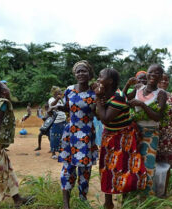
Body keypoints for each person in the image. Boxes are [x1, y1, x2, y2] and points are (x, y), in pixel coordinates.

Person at [94, 68, 147, 209]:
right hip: (110, 137)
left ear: (110, 81)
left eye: (101, 76)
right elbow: (98, 115)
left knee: (124, 169)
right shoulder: (105, 94)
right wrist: (99, 99)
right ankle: (109, 202)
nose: (98, 79)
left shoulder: (117, 97)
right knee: (106, 169)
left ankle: (126, 200)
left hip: (123, 138)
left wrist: (98, 98)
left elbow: (105, 118)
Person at [53, 61, 98, 209]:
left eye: (84, 71)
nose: (80, 74)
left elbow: (99, 112)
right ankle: (66, 204)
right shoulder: (69, 90)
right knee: (68, 168)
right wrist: (58, 107)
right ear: (74, 74)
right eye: (78, 71)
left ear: (90, 73)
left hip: (86, 134)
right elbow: (68, 107)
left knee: (85, 171)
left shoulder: (95, 93)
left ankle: (82, 200)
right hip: (70, 134)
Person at [0, 81, 30, 208]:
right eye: (6, 87)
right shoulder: (2, 104)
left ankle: (17, 199)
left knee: (7, 170)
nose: (8, 88)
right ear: (3, 92)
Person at [128, 64, 167, 195]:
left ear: (161, 77)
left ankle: (147, 197)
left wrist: (142, 105)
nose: (153, 75)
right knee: (133, 163)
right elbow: (125, 100)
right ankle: (132, 194)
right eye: (151, 72)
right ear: (147, 74)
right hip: (135, 132)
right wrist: (127, 86)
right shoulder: (139, 88)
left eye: (157, 73)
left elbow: (157, 117)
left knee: (148, 164)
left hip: (151, 133)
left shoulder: (161, 94)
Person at [48, 86, 66, 159]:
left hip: (63, 120)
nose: (61, 92)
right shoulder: (51, 99)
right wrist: (57, 99)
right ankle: (53, 153)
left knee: (62, 137)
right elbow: (51, 105)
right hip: (56, 121)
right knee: (54, 137)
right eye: (59, 91)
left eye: (61, 91)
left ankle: (61, 152)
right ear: (55, 93)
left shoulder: (61, 100)